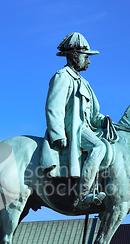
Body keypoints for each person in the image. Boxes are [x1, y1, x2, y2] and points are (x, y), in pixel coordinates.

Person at [41, 32, 112, 209]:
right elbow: (53, 107)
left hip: (88, 129)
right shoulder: (62, 76)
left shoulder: (85, 83)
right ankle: (84, 194)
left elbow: (94, 114)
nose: (88, 61)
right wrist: (57, 133)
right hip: (74, 130)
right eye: (86, 56)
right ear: (75, 56)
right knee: (99, 147)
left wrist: (103, 121)